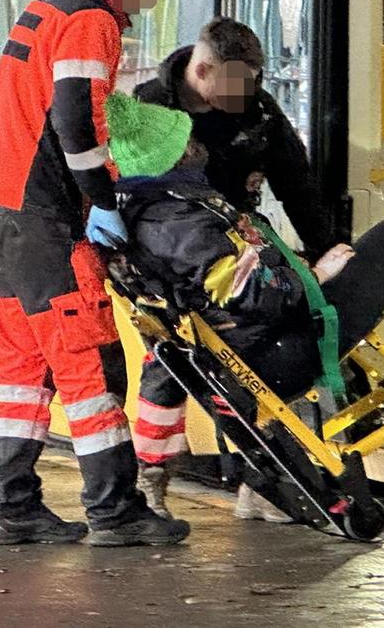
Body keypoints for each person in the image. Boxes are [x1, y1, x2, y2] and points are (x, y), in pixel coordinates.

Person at [0, 0, 193, 547]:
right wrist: (102, 199)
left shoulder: (50, 0)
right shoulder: (90, 18)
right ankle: (115, 511)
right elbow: (76, 124)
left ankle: (10, 507)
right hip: (39, 214)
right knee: (88, 359)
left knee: (22, 365)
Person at [104, 93, 384, 518]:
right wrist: (319, 274)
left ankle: (263, 488)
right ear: (171, 158)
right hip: (280, 349)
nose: (195, 143)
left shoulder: (155, 214)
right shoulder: (181, 224)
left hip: (250, 350)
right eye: (185, 141)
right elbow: (259, 297)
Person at [130, 18, 337, 518]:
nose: (248, 98)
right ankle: (150, 482)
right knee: (176, 360)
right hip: (174, 260)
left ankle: (261, 481)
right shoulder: (150, 109)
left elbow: (298, 186)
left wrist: (328, 252)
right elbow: (126, 198)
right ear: (203, 71)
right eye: (238, 87)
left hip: (239, 252)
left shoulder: (258, 111)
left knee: (258, 360)